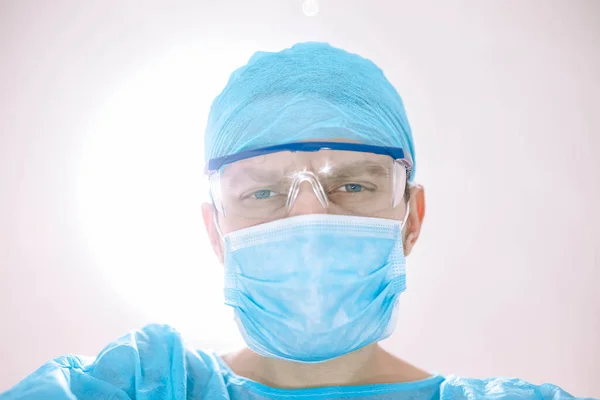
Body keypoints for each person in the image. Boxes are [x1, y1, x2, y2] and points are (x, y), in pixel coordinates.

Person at [1, 42, 594, 400]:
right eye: (262, 193)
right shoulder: (143, 383)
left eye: (353, 185)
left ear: (410, 220)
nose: (309, 217)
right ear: (216, 234)